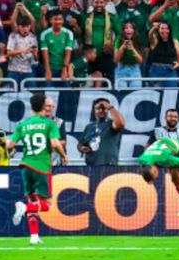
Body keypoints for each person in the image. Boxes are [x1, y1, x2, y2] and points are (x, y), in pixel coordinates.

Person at [7, 93, 68, 245]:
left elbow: (9, 145)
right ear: (43, 107)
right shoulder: (49, 124)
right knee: (46, 204)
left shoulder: (23, 125)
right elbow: (55, 143)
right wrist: (63, 155)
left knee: (34, 200)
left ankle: (34, 236)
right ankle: (24, 207)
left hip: (25, 166)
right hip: (41, 167)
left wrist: (10, 153)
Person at [78, 98, 126, 166]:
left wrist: (110, 107)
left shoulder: (111, 123)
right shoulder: (89, 126)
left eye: (103, 108)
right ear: (94, 110)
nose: (101, 110)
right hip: (91, 165)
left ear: (108, 110)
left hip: (109, 164)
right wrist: (81, 148)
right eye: (98, 109)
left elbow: (121, 124)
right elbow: (80, 143)